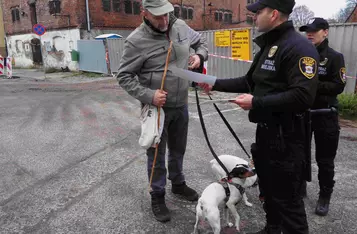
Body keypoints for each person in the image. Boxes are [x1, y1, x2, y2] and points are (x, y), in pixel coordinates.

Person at [199, 0, 319, 233]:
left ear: (274, 14)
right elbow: (249, 81)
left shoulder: (298, 48)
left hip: (288, 136)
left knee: (288, 201)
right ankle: (272, 229)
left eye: (258, 12)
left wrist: (256, 101)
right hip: (266, 134)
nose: (254, 16)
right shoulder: (269, 45)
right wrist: (213, 83)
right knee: (270, 193)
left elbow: (303, 96)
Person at [116, 0, 208, 223]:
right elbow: (124, 76)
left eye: (167, 15)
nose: (164, 21)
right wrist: (150, 95)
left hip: (181, 104)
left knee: (178, 149)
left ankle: (177, 184)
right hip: (157, 110)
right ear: (144, 13)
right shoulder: (136, 41)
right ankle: (157, 195)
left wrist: (199, 56)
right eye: (158, 16)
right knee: (156, 155)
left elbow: (201, 43)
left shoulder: (180, 27)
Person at [299, 18, 346, 216]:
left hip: (325, 114)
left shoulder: (334, 57)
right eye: (307, 30)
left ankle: (324, 196)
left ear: (325, 32)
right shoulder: (300, 54)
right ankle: (299, 187)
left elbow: (339, 85)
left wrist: (313, 85)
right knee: (299, 154)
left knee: (325, 160)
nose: (310, 34)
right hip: (302, 113)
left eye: (315, 30)